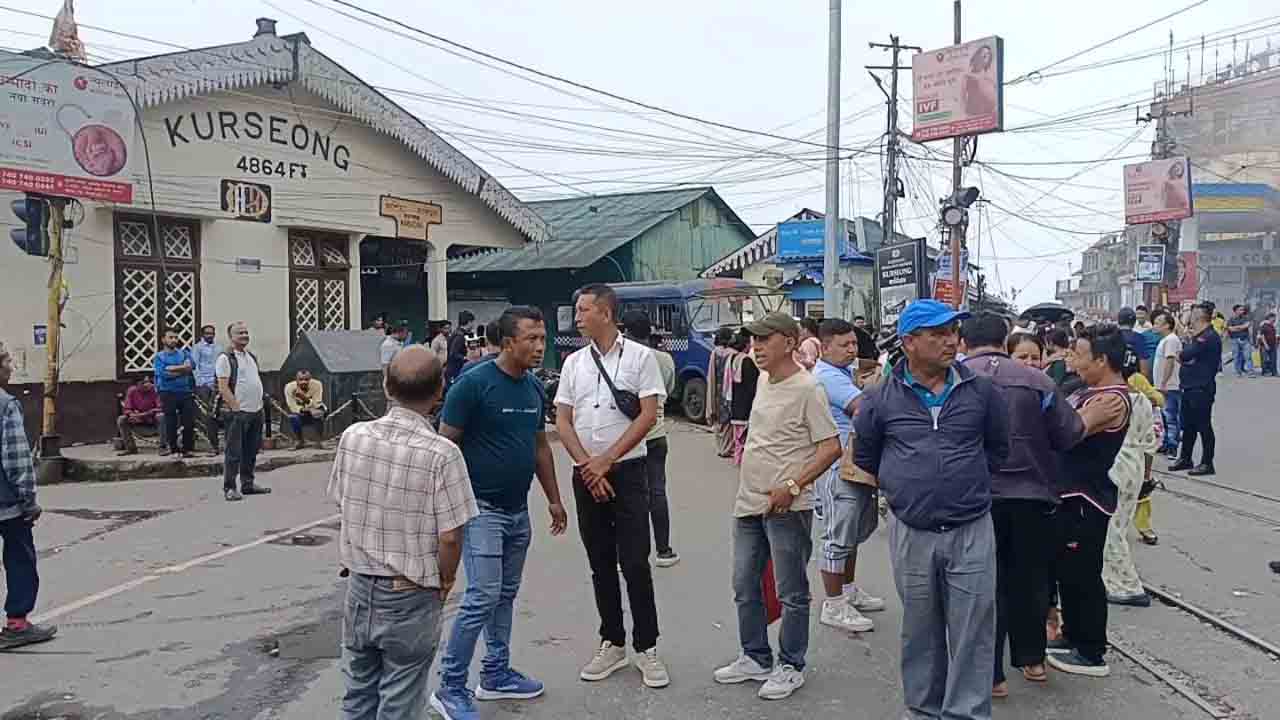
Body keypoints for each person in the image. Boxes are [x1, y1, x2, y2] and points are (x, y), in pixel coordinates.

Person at [855, 300, 1010, 720]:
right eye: (937, 333)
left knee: (973, 630)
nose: (950, 341)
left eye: (952, 332)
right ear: (908, 343)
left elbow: (998, 449)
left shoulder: (982, 392)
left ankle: (966, 713)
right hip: (912, 530)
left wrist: (959, 484)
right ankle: (923, 710)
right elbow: (866, 457)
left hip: (972, 527)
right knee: (920, 630)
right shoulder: (880, 399)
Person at [430, 308, 567, 720]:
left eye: (543, 338)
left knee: (504, 596)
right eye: (531, 339)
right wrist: (444, 513)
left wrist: (554, 499)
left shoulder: (532, 389)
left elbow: (540, 447)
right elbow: (444, 448)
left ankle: (495, 674)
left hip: (516, 511)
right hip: (480, 511)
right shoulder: (472, 385)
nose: (540, 347)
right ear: (507, 343)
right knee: (482, 597)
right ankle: (450, 686)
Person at [329, 346, 476, 720]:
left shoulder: (353, 437)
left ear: (385, 386)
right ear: (440, 390)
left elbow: (342, 502)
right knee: (401, 700)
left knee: (358, 694)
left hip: (360, 587)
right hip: (411, 592)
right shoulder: (442, 454)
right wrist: (444, 581)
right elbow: (450, 537)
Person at [962, 313, 1099, 697]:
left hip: (976, 498)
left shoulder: (954, 378)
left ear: (963, 341)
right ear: (1004, 339)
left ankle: (991, 676)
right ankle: (1033, 660)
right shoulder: (1037, 380)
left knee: (982, 584)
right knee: (1030, 580)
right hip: (1032, 496)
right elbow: (1068, 434)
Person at [713, 313, 841, 701]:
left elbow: (831, 447)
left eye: (764, 339)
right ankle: (755, 656)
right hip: (749, 503)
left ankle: (791, 664)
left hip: (788, 507)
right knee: (744, 584)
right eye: (753, 340)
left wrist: (792, 485)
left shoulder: (809, 389)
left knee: (791, 591)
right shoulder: (764, 379)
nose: (756, 347)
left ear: (788, 341)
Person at [553, 284, 669, 689]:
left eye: (583, 309)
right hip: (586, 474)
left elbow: (648, 416)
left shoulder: (641, 358)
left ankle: (647, 647)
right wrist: (589, 466)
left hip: (630, 473)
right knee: (599, 561)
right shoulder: (573, 364)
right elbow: (563, 421)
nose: (578, 316)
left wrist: (608, 461)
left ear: (605, 312)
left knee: (635, 561)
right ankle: (612, 642)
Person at [1048, 325, 1133, 678]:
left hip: (1087, 497)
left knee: (1084, 576)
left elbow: (1069, 431)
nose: (1072, 361)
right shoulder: (1088, 389)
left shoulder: (1111, 398)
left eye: (1078, 355)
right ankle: (1072, 635)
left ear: (1101, 359)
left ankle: (1091, 651)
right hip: (1069, 493)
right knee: (1069, 574)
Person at [810, 318, 884, 635]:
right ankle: (834, 603)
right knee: (838, 537)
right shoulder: (828, 376)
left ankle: (848, 588)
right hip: (836, 466)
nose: (853, 349)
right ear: (825, 348)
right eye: (845, 345)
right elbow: (862, 409)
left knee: (852, 533)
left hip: (853, 464)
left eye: (854, 343)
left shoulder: (841, 373)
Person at [0, 344, 56, 650]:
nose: (10, 366)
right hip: (6, 503)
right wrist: (28, 500)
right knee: (20, 558)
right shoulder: (6, 404)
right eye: (6, 361)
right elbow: (16, 459)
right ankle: (17, 625)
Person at [620, 310, 679, 568]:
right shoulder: (665, 359)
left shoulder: (622, 360)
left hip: (628, 436)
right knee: (657, 492)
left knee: (629, 496)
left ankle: (630, 553)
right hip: (657, 434)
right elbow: (669, 390)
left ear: (627, 332)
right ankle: (664, 550)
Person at [1103, 363, 1161, 608]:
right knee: (1120, 524)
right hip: (1135, 467)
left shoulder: (1110, 401)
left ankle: (1126, 585)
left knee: (1111, 530)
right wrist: (1147, 476)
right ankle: (1114, 579)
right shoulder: (1142, 401)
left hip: (1115, 466)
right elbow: (1150, 443)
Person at [216, 322, 270, 501]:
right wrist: (235, 408)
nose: (244, 335)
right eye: (239, 333)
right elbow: (223, 387)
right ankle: (230, 487)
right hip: (238, 412)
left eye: (246, 332)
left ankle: (247, 484)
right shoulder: (225, 358)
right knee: (234, 452)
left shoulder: (251, 356)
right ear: (231, 337)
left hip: (256, 410)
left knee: (251, 450)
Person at [1171, 303, 1222, 476]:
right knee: (1188, 426)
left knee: (1203, 426)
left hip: (1201, 388)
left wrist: (1184, 356)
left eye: (1192, 313)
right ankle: (1185, 458)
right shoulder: (1198, 336)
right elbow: (1187, 358)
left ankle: (1207, 463)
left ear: (1200, 316)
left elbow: (1184, 356)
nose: (1189, 316)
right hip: (1189, 387)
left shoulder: (1207, 337)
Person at [153, 328, 196, 459]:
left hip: (185, 391)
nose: (174, 340)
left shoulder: (184, 353)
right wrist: (183, 369)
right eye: (170, 337)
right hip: (167, 392)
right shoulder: (159, 357)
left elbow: (192, 366)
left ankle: (187, 449)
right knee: (171, 421)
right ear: (163, 339)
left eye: (176, 337)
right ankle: (173, 448)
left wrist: (173, 368)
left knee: (189, 422)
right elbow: (163, 374)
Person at [1152, 311, 1182, 459]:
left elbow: (1170, 361)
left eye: (1158, 322)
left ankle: (1172, 446)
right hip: (1164, 385)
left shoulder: (1171, 340)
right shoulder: (1165, 340)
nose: (1155, 325)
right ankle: (1165, 443)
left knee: (1170, 416)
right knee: (1164, 416)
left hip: (1170, 385)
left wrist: (1163, 382)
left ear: (1167, 325)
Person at [728, 330, 759, 466]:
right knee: (744, 436)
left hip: (736, 402)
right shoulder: (746, 361)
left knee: (738, 436)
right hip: (746, 405)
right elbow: (753, 385)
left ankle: (737, 458)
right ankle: (742, 460)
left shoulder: (733, 358)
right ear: (746, 345)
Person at [192, 324, 223, 454]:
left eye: (212, 333)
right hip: (203, 385)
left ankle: (216, 445)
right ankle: (210, 444)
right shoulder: (197, 348)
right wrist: (201, 383)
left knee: (216, 414)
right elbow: (195, 366)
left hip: (216, 384)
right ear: (202, 335)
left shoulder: (218, 348)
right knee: (206, 415)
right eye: (207, 333)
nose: (210, 335)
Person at [706, 327, 736, 458]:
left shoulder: (714, 353)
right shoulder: (733, 353)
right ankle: (727, 448)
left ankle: (721, 447)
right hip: (728, 390)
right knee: (728, 422)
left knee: (719, 420)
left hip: (717, 390)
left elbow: (711, 374)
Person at [116, 375, 162, 456]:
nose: (148, 384)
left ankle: (163, 447)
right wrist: (132, 415)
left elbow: (160, 408)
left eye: (149, 382)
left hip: (153, 420)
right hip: (137, 421)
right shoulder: (132, 391)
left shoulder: (155, 390)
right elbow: (127, 408)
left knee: (161, 416)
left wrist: (143, 415)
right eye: (144, 383)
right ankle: (131, 448)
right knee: (121, 419)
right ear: (137, 385)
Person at [285, 370, 327, 451]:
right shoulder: (289, 387)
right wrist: (305, 409)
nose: (303, 382)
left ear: (310, 379)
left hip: (315, 411)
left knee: (319, 413)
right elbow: (292, 406)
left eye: (307, 379)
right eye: (300, 379)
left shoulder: (317, 385)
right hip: (300, 413)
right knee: (293, 417)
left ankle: (319, 441)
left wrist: (305, 398)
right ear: (296, 380)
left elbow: (317, 403)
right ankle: (300, 441)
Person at [1117, 307, 1152, 379]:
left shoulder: (1109, 337)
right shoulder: (1139, 338)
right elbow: (1144, 368)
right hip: (1132, 382)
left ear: (1119, 321)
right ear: (1134, 321)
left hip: (1114, 383)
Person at [446, 311, 476, 384]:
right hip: (455, 371)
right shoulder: (460, 336)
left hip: (453, 371)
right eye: (472, 322)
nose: (473, 325)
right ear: (469, 322)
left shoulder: (457, 332)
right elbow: (453, 353)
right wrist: (466, 358)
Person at [1228, 304, 1255, 377]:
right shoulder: (1231, 319)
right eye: (1240, 310)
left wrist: (1236, 327)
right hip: (1234, 340)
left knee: (1248, 356)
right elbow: (1230, 329)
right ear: (1235, 311)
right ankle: (1238, 372)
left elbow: (1247, 325)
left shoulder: (1246, 318)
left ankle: (1250, 372)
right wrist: (1241, 327)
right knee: (1236, 356)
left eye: (1243, 310)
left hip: (1245, 339)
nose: (1242, 311)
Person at [1258, 312, 1277, 377]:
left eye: (1275, 317)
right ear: (1269, 318)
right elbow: (1262, 335)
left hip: (1273, 345)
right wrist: (1265, 345)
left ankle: (1274, 372)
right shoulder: (1264, 325)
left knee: (1273, 359)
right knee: (1265, 359)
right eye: (1273, 318)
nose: (1274, 319)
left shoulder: (1273, 326)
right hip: (1264, 345)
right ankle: (1265, 372)